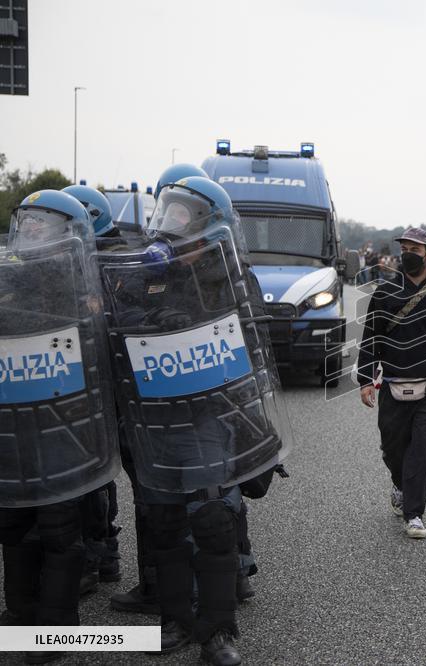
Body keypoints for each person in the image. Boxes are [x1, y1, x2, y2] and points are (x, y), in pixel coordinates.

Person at [99, 175, 289, 664]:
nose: (170, 223)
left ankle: (218, 632)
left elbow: (251, 337)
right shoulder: (141, 271)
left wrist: (185, 320)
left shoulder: (229, 274)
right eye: (169, 212)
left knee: (212, 521)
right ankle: (176, 621)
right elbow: (114, 328)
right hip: (155, 418)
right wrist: (138, 320)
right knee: (163, 526)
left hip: (208, 417)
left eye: (182, 215)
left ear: (207, 223)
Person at [0, 189, 122, 665]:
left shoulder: (87, 286)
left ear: (69, 232)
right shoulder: (7, 279)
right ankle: (22, 613)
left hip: (66, 424)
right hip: (14, 424)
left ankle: (56, 630)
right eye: (27, 220)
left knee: (58, 527)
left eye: (42, 222)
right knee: (13, 522)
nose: (31, 229)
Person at [357, 228, 426, 539]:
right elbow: (371, 338)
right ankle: (399, 482)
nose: (408, 253)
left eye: (415, 249)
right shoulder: (384, 293)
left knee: (422, 449)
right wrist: (366, 378)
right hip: (393, 382)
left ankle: (414, 513)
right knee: (393, 447)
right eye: (404, 247)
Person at [62, 185, 125, 594]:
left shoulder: (115, 260)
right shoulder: (58, 258)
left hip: (104, 379)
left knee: (95, 472)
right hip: (69, 379)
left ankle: (100, 553)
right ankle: (99, 555)